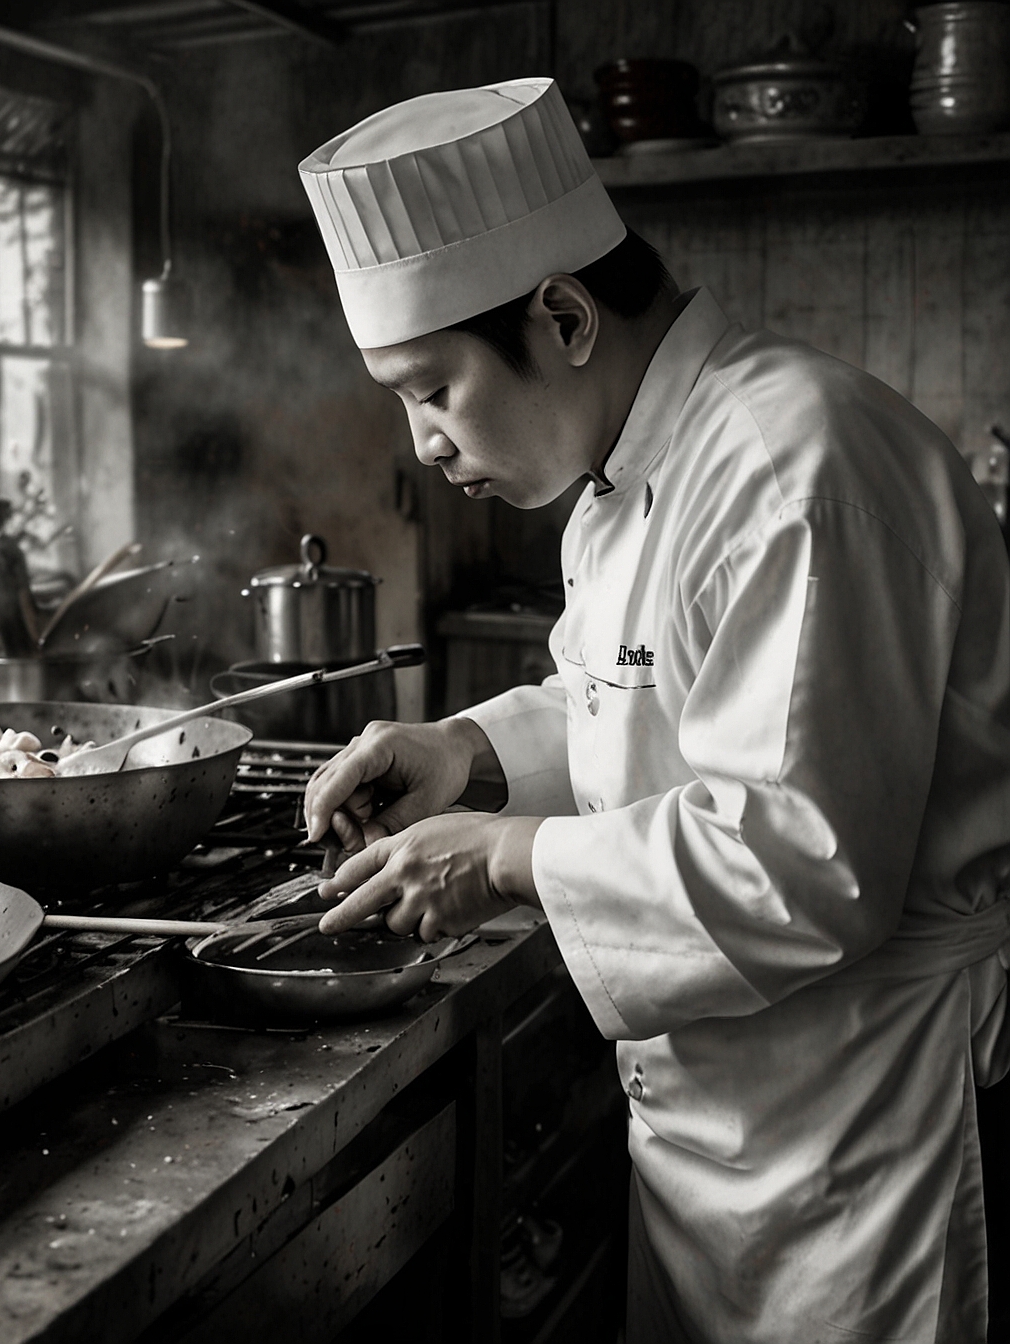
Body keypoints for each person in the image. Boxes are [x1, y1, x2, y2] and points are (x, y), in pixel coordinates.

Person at [297, 79, 1010, 1340]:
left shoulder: (796, 466)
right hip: (725, 1129)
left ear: (562, 314)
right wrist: (463, 754)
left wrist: (506, 859)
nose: (420, 444)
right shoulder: (622, 477)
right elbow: (611, 698)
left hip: (867, 1130)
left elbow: (800, 863)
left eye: (431, 390)